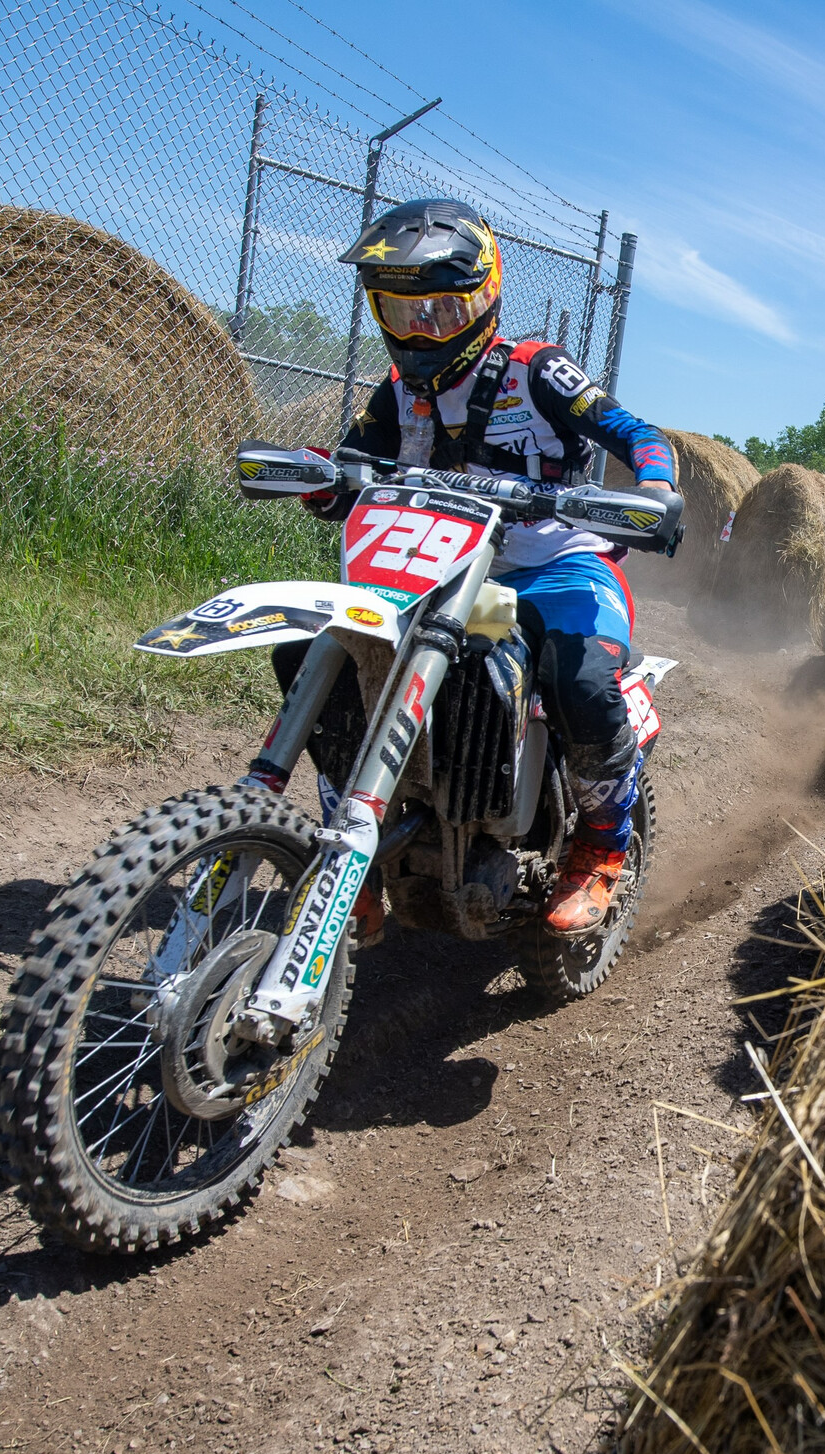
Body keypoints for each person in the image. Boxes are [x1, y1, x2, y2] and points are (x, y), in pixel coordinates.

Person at [291, 197, 679, 935]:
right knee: (322, 653)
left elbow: (633, 431)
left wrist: (655, 487)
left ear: (484, 294)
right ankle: (353, 855)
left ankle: (599, 848)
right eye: (401, 314)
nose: (422, 332)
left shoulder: (537, 370)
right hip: (431, 569)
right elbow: (351, 467)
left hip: (556, 566)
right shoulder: (398, 392)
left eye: (439, 311)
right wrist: (321, 481)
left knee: (582, 678)